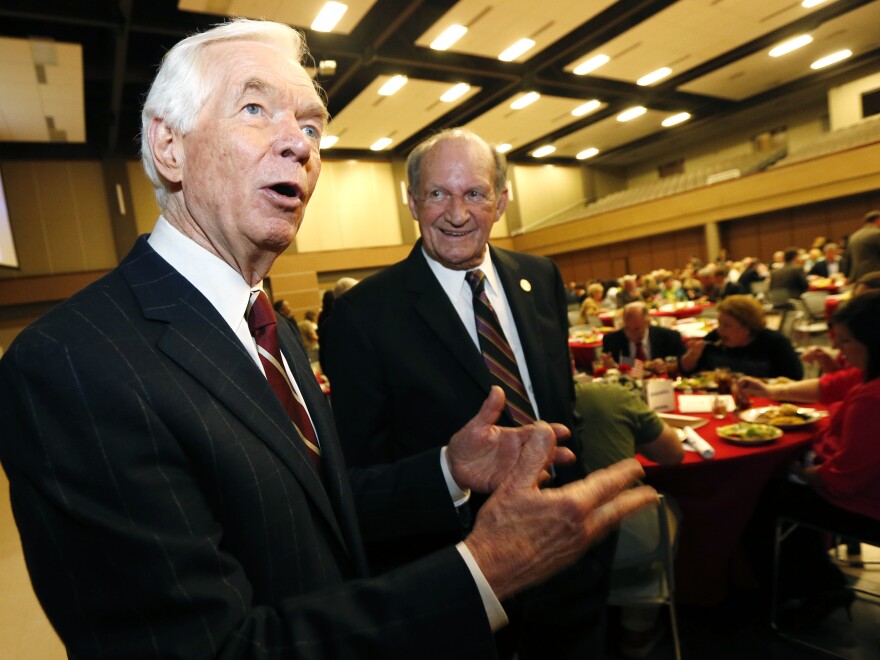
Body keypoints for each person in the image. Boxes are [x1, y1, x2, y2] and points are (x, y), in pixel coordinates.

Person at [0, 20, 656, 659]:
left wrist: (447, 470)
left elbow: (317, 511)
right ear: (169, 146)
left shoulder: (268, 328)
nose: (300, 144)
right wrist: (482, 571)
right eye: (256, 108)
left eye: (311, 125)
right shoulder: (74, 367)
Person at [322, 127, 613, 658]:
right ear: (412, 202)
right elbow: (357, 482)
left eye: (474, 193)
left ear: (501, 201)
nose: (456, 213)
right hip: (464, 575)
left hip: (570, 560)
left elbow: (562, 404)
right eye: (438, 193)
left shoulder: (539, 276)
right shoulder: (363, 314)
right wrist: (448, 471)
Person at [744, 292, 880, 626]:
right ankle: (818, 579)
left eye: (846, 342)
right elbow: (832, 384)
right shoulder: (867, 378)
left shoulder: (872, 398)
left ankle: (809, 590)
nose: (841, 351)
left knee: (763, 497)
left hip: (868, 505)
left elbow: (843, 477)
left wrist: (803, 472)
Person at [573, 382, 684, 658]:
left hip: (536, 563)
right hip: (622, 545)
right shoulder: (610, 395)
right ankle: (637, 632)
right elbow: (673, 454)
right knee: (665, 509)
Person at [684, 294, 803, 379]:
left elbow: (794, 379)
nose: (720, 330)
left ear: (747, 327)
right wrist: (692, 356)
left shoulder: (775, 343)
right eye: (720, 323)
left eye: (727, 325)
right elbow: (686, 371)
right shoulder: (714, 338)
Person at [602, 302, 687, 375]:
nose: (631, 334)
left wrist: (667, 366)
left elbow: (683, 366)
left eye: (637, 329)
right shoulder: (612, 339)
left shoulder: (669, 336)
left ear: (648, 323)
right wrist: (611, 366)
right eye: (627, 329)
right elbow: (611, 366)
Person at [845, 210, 880, 281]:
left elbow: (848, 259)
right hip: (875, 277)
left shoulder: (853, 236)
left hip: (858, 277)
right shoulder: (877, 233)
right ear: (878, 220)